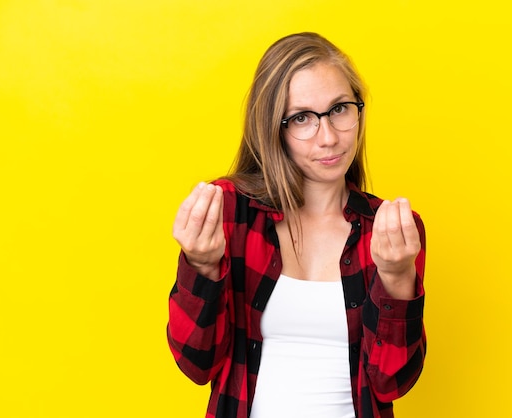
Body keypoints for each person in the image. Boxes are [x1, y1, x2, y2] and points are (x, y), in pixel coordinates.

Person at [167, 32, 426, 418]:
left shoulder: (388, 230)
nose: (329, 137)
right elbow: (196, 363)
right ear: (274, 128)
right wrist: (201, 266)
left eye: (339, 109)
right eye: (302, 118)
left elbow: (393, 382)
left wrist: (397, 276)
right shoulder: (231, 214)